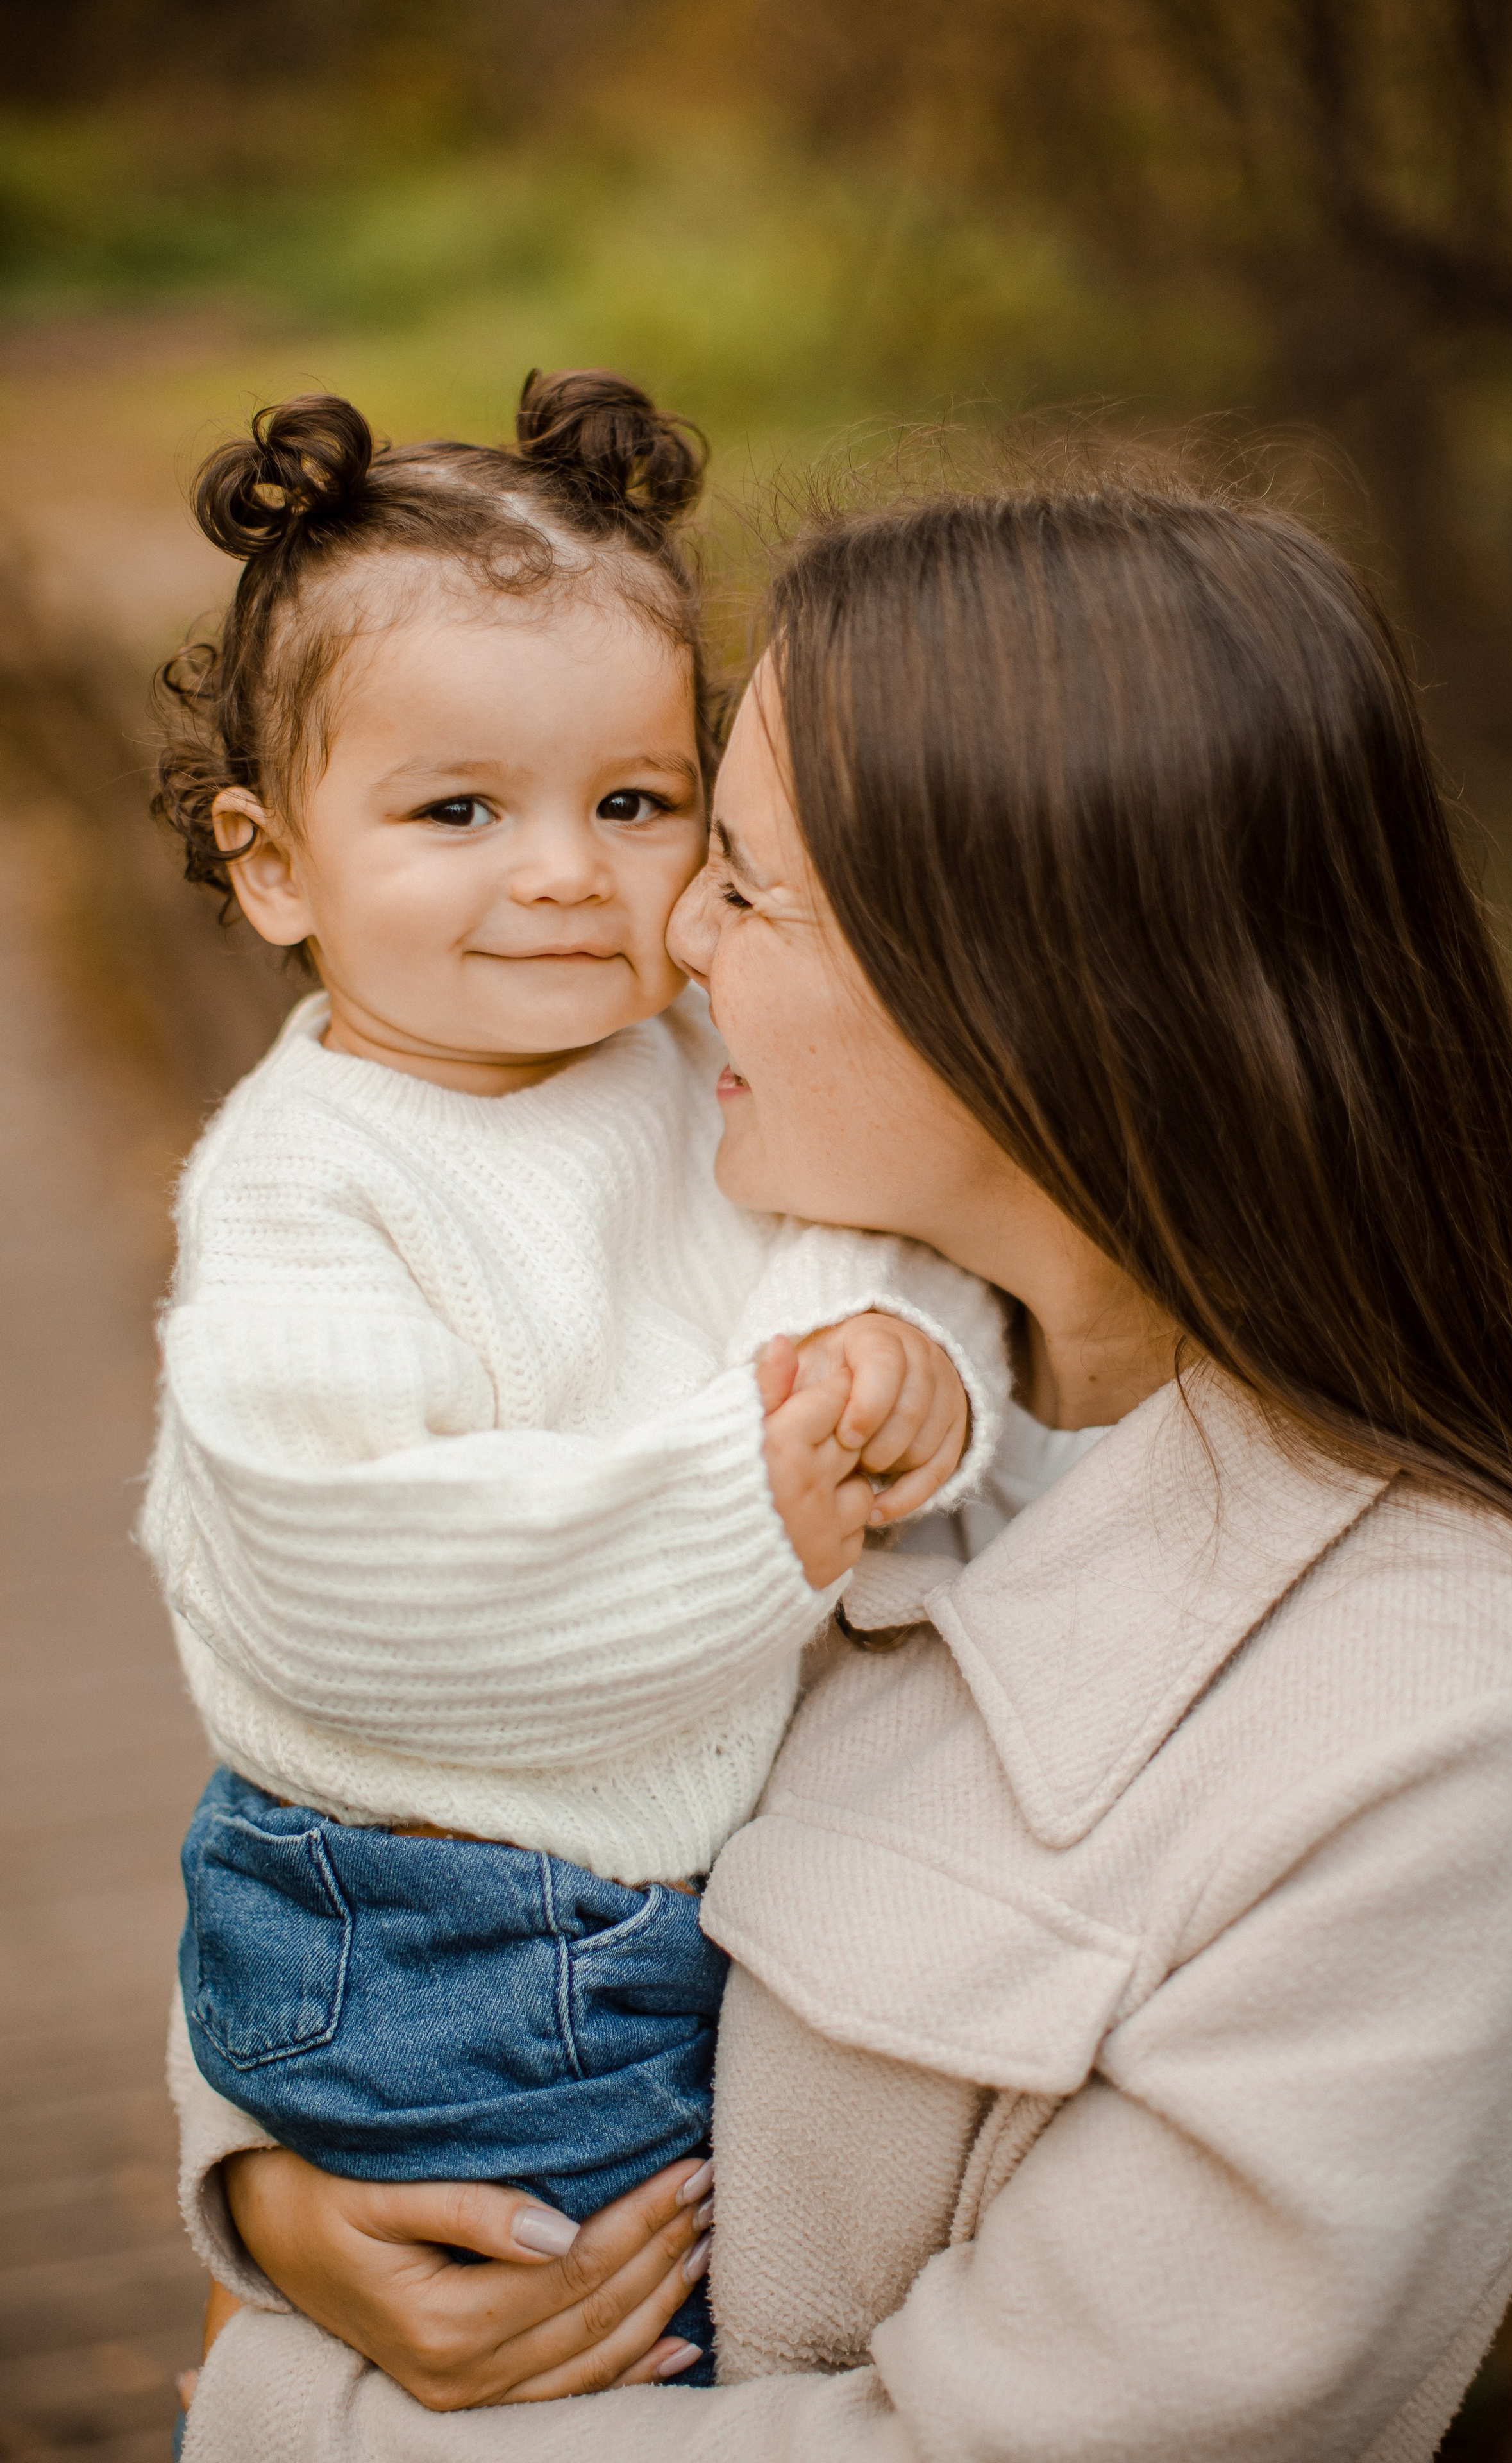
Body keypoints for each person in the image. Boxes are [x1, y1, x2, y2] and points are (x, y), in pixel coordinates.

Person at [172, 475, 1512, 2460]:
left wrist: (287, 2408)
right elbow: (392, 1795)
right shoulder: (773, 1346)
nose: (664, 932)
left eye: (731, 872)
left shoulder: (1428, 1720)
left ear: (1033, 974)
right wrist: (274, 2196)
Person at [141, 373, 1008, 2399]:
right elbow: (345, 1581)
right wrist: (747, 1511)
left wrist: (912, 1368)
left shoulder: (681, 1052)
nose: (561, 874)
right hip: (442, 1923)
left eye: (631, 805)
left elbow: (855, 1244)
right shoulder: (307, 1186)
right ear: (272, 867)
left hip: (633, 1875)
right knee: (602, 2346)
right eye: (458, 812)